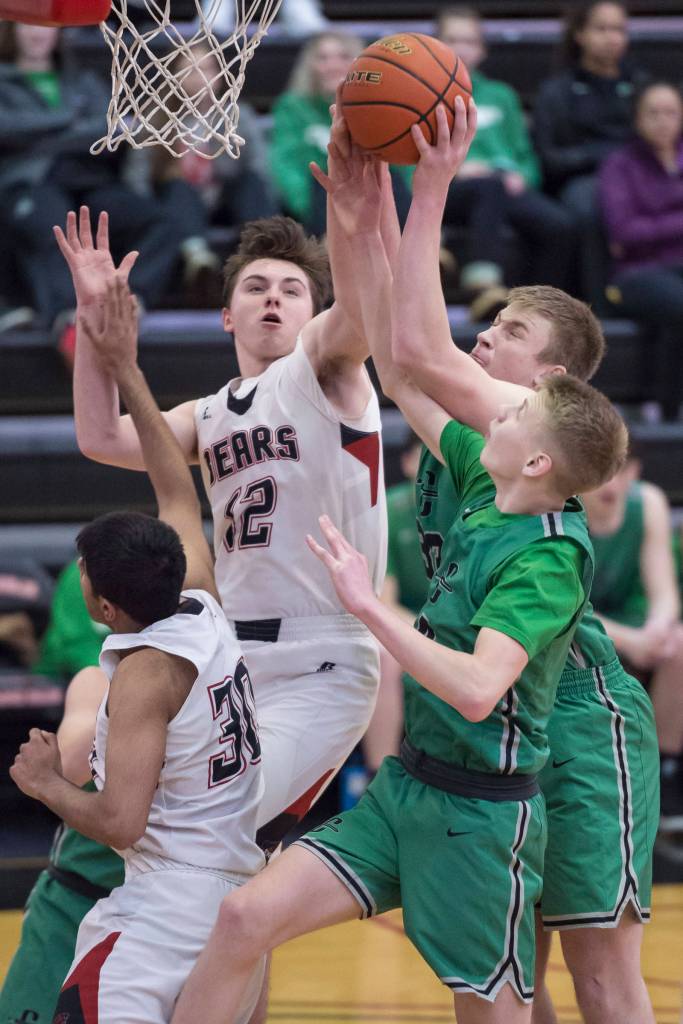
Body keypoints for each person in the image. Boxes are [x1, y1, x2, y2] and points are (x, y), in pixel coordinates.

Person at [170, 134, 628, 1024]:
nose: (487, 380)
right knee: (241, 917)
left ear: (535, 450)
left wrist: (369, 606)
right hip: (409, 784)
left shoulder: (543, 553)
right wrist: (360, 209)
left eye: (517, 396)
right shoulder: (480, 467)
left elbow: (473, 687)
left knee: (552, 987)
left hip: (486, 798)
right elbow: (400, 355)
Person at [385, 104, 658, 1024]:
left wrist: (427, 189)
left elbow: (418, 351)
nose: (484, 336)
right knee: (511, 978)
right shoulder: (480, 449)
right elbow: (399, 361)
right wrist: (358, 210)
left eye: (506, 331)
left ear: (547, 385)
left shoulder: (535, 439)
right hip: (504, 731)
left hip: (577, 717)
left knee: (600, 975)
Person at [60, 166, 385, 854]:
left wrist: (350, 220)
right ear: (226, 314)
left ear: (312, 313)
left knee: (205, 826)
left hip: (320, 656)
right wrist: (94, 321)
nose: (274, 299)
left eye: (292, 290)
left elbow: (357, 314)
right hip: (231, 651)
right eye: (256, 288)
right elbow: (99, 436)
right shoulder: (208, 414)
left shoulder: (327, 372)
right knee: (226, 853)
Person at [10, 276, 266, 1021]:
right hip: (231, 885)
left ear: (105, 606)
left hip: (166, 907)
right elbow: (176, 489)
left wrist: (46, 785)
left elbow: (120, 822)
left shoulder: (143, 676)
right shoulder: (204, 605)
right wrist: (124, 366)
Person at [0, 22, 191, 351]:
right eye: (28, 24)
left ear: (59, 32)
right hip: (31, 182)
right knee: (55, 227)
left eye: (45, 26)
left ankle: (129, 300)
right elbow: (8, 129)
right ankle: (70, 318)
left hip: (89, 178)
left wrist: (45, 137)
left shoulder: (84, 81)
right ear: (11, 30)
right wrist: (69, 122)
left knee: (160, 221)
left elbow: (107, 130)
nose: (37, 32)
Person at [0, 666, 124, 1023]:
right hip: (74, 905)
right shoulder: (100, 679)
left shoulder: (229, 687)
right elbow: (65, 767)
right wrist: (141, 702)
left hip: (174, 913)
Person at [437, 6, 575, 301]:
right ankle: (482, 281)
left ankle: (538, 303)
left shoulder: (502, 95)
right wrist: (454, 170)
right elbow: (406, 162)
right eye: (452, 39)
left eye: (470, 41)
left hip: (503, 186)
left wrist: (520, 175)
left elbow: (526, 157)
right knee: (489, 187)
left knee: (560, 226)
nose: (460, 48)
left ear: (483, 50)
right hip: (448, 188)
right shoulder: (421, 95)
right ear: (436, 46)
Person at [582, 450, 683, 830]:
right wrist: (631, 643)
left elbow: (665, 593)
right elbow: (570, 609)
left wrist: (658, 628)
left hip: (629, 627)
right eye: (601, 470)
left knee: (679, 645)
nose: (611, 482)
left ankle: (664, 771)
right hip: (575, 628)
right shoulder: (560, 504)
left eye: (620, 470)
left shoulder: (649, 501)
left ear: (635, 471)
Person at [533, 1, 648, 308]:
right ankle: (597, 310)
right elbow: (549, 158)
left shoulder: (640, 85)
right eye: (602, 28)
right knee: (590, 207)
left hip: (638, 177)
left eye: (619, 29)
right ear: (580, 34)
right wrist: (600, 155)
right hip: (582, 180)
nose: (612, 37)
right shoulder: (557, 91)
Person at [269, 31, 411, 236]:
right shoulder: (291, 107)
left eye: (343, 57)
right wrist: (305, 205)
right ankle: (329, 251)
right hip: (319, 200)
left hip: (375, 192)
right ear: (309, 67)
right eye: (323, 58)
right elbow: (285, 164)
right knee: (325, 180)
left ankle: (411, 245)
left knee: (391, 177)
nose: (333, 65)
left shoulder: (380, 105)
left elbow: (403, 161)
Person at [599, 81, 683, 420]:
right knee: (678, 304)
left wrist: (657, 224)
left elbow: (641, 228)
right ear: (637, 119)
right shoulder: (619, 166)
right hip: (636, 275)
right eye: (653, 113)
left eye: (671, 113)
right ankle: (667, 411)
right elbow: (624, 231)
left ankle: (665, 408)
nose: (663, 121)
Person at [362, 432, 426, 773]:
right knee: (384, 655)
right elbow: (384, 603)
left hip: (464, 626)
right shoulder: (387, 510)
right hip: (408, 625)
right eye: (425, 454)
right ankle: (380, 781)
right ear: (408, 463)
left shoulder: (474, 511)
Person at [32, 558, 109, 680]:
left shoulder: (144, 572)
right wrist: (126, 673)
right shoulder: (82, 575)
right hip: (59, 682)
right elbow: (75, 645)